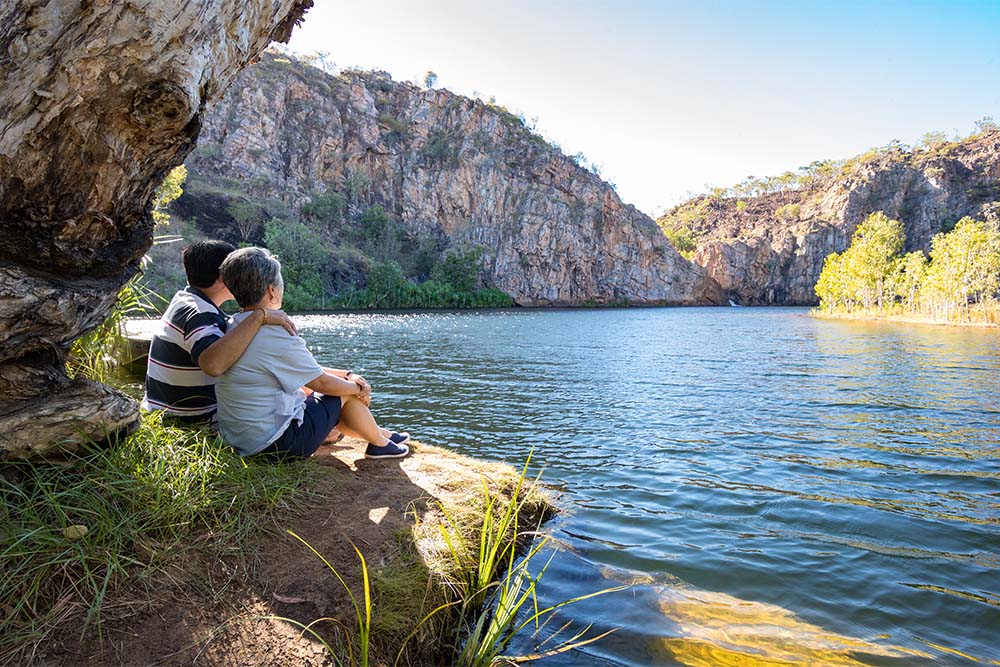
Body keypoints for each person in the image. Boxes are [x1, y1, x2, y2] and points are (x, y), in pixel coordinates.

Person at [215, 246, 410, 460]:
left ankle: (381, 436)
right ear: (272, 290)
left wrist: (347, 376)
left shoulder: (234, 326)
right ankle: (380, 443)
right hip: (275, 446)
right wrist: (357, 388)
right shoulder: (275, 332)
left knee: (335, 395)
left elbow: (306, 372)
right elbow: (321, 384)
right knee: (341, 393)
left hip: (241, 440)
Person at [142, 240, 298, 423]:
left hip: (164, 414)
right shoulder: (200, 313)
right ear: (224, 278)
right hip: (192, 423)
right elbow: (213, 365)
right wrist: (259, 317)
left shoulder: (185, 302)